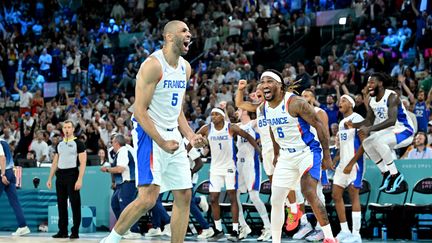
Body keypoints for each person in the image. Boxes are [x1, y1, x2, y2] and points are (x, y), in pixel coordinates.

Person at [100, 20, 206, 243]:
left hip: (172, 135)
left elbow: (177, 110)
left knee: (184, 194)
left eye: (189, 30)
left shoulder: (185, 68)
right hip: (149, 133)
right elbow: (139, 111)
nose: (189, 34)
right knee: (148, 198)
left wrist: (190, 135)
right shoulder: (153, 66)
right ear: (169, 37)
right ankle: (111, 240)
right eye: (184, 31)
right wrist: (162, 142)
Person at [260, 69, 337, 243]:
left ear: (279, 86)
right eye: (262, 81)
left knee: (309, 192)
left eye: (269, 81)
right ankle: (276, 240)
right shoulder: (265, 107)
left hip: (307, 151)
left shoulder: (295, 103)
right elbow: (273, 130)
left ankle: (330, 237)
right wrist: (277, 152)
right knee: (276, 199)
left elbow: (319, 125)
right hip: (286, 156)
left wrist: (326, 155)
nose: (265, 85)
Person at [195, 107, 261, 241]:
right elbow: (194, 139)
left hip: (230, 167)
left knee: (233, 198)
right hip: (215, 168)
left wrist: (259, 151)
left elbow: (247, 136)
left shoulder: (231, 128)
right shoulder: (207, 129)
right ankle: (218, 230)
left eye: (216, 114)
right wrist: (186, 152)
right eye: (211, 114)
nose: (213, 117)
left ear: (221, 116)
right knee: (213, 199)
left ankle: (235, 230)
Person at [346, 72, 414, 193]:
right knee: (367, 143)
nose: (369, 85)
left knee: (378, 141)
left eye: (372, 82)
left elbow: (392, 121)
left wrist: (369, 129)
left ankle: (395, 174)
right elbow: (369, 121)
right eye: (368, 83)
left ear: (380, 83)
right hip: (389, 131)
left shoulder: (391, 96)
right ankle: (386, 173)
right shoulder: (372, 100)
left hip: (404, 130)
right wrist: (354, 125)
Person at [234, 108, 271, 240]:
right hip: (239, 164)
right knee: (234, 195)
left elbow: (264, 115)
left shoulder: (254, 123)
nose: (237, 111)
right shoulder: (237, 126)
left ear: (246, 111)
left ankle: (268, 227)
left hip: (251, 163)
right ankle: (243, 226)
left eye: (240, 109)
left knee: (254, 196)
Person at [332, 95, 365, 243]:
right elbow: (343, 147)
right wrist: (334, 160)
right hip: (342, 166)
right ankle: (344, 230)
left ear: (351, 104)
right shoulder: (341, 123)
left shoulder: (357, 119)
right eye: (340, 101)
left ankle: (356, 234)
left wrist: (351, 163)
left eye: (344, 100)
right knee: (336, 195)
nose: (340, 102)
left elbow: (364, 144)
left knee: (353, 195)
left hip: (355, 165)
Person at [46, 120, 87, 239]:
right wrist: (50, 178)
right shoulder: (59, 144)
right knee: (61, 204)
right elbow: (55, 162)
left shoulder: (78, 143)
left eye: (69, 127)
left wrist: (80, 179)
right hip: (60, 176)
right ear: (62, 129)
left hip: (72, 174)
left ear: (73, 129)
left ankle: (75, 231)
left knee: (75, 204)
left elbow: (83, 163)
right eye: (65, 127)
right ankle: (62, 231)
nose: (67, 129)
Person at [100, 134, 141, 239]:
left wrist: (107, 169)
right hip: (121, 184)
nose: (111, 144)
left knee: (126, 207)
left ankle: (134, 230)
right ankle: (125, 228)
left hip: (128, 182)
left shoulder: (123, 151)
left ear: (117, 143)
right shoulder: (119, 152)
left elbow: (120, 169)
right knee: (115, 204)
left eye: (113, 142)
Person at [0, 138, 31, 236]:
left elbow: (2, 158)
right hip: (11, 172)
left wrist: (2, 174)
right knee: (15, 202)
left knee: (14, 201)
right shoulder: (3, 140)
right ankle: (23, 226)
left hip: (3, 173)